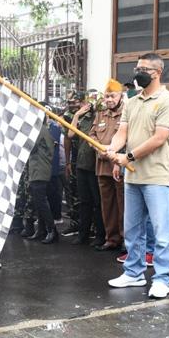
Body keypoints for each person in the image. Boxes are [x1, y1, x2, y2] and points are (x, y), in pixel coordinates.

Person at [106, 54, 169, 299]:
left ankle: (161, 279)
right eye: (137, 68)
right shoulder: (132, 101)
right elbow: (122, 132)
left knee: (162, 232)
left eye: (143, 69)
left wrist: (128, 157)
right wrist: (113, 149)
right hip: (132, 177)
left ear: (156, 72)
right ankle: (134, 272)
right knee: (133, 230)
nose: (137, 73)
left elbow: (159, 139)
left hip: (157, 176)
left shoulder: (168, 101)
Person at [89, 79, 125, 252]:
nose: (109, 99)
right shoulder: (101, 113)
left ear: (120, 96)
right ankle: (112, 238)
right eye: (107, 96)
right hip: (102, 165)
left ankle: (126, 239)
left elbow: (129, 137)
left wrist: (113, 151)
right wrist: (97, 146)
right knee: (107, 204)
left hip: (120, 165)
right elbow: (92, 134)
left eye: (113, 96)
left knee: (123, 204)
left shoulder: (127, 112)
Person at [68, 95, 105, 246]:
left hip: (94, 166)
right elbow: (70, 134)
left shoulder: (101, 119)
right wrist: (77, 115)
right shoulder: (83, 119)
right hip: (82, 165)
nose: (87, 104)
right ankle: (83, 234)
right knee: (84, 202)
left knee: (97, 202)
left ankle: (100, 235)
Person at [25, 119, 57, 244]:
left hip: (39, 170)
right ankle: (42, 230)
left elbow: (29, 147)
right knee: (39, 202)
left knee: (41, 202)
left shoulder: (39, 130)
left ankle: (51, 230)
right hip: (37, 170)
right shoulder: (41, 129)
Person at [61, 92, 83, 237]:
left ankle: (91, 226)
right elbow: (67, 140)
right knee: (74, 191)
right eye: (69, 102)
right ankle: (75, 224)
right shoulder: (68, 116)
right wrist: (68, 161)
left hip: (90, 158)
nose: (72, 105)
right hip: (75, 158)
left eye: (75, 102)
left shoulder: (92, 113)